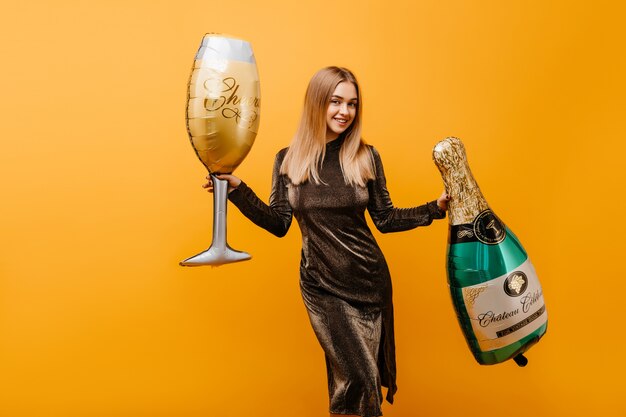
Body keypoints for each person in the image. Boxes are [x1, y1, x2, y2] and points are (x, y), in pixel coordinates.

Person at [203, 66, 450, 417]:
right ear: (317, 103)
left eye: (351, 104)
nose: (344, 112)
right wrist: (237, 191)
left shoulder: (366, 156)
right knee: (360, 379)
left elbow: (385, 219)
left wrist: (434, 208)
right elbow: (278, 223)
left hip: (369, 282)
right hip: (322, 285)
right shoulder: (288, 160)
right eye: (335, 101)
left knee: (348, 388)